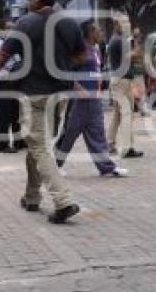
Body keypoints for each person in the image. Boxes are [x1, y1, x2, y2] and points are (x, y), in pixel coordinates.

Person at [0, 0, 84, 224]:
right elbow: (81, 55)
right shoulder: (69, 23)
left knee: (39, 147)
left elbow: (1, 57)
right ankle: (32, 196)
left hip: (35, 94)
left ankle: (63, 201)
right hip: (61, 94)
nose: (27, 0)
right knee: (37, 145)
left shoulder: (25, 23)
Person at [55, 20, 129, 178]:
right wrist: (78, 88)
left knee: (98, 134)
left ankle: (107, 167)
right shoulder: (79, 51)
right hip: (79, 102)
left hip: (94, 100)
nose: (101, 33)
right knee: (69, 133)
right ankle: (55, 164)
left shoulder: (96, 50)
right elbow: (65, 72)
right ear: (90, 32)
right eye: (98, 31)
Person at [107, 16, 143, 158]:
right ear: (116, 24)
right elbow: (134, 55)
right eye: (124, 23)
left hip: (120, 81)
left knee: (117, 114)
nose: (127, 26)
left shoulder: (117, 39)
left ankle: (109, 143)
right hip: (121, 81)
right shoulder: (118, 40)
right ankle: (127, 148)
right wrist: (137, 40)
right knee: (127, 114)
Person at [0, 21, 25, 153]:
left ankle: (19, 141)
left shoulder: (16, 44)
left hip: (15, 82)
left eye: (13, 28)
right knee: (3, 115)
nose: (11, 31)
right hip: (2, 82)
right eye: (8, 28)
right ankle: (2, 144)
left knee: (16, 113)